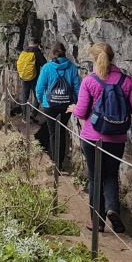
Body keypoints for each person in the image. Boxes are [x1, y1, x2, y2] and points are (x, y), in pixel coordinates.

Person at [70, 42, 132, 233]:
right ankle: (113, 209)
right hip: (116, 138)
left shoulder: (89, 81)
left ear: (94, 59)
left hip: (92, 137)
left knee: (95, 178)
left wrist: (73, 109)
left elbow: (81, 111)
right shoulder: (127, 81)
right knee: (111, 176)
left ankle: (98, 222)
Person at [35, 42, 81, 170]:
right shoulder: (72, 68)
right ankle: (60, 162)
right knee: (61, 131)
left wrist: (41, 101)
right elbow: (78, 88)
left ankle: (54, 163)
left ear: (52, 53)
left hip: (50, 105)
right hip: (67, 105)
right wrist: (75, 103)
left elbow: (39, 87)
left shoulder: (47, 67)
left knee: (53, 133)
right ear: (64, 52)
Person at [16, 37, 46, 121]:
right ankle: (33, 114)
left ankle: (25, 117)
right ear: (37, 44)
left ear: (29, 43)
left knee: (25, 97)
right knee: (37, 96)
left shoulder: (24, 51)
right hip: (35, 78)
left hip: (24, 78)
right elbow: (45, 64)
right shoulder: (37, 52)